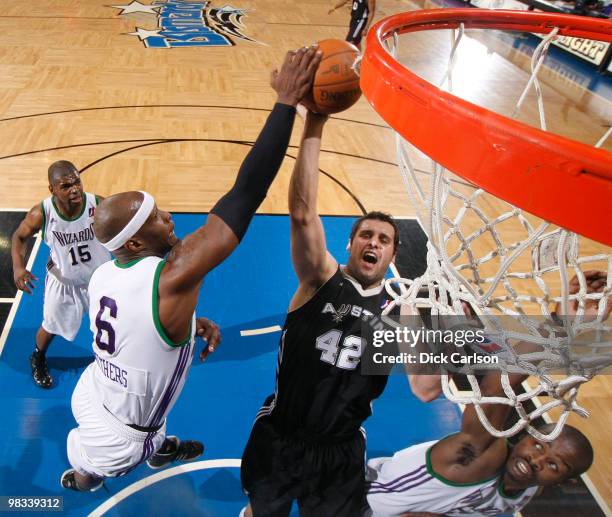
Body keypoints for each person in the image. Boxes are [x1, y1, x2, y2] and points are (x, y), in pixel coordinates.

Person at [60, 46, 322, 492]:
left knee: (143, 408)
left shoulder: (105, 272)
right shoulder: (173, 277)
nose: (172, 219)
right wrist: (285, 105)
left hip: (94, 389)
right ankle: (112, 468)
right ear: (138, 242)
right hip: (120, 437)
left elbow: (130, 322)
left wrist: (190, 322)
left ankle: (157, 445)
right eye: (160, 217)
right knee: (89, 470)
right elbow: (245, 194)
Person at [240, 109, 399, 516]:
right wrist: (315, 123)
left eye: (384, 239)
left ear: (393, 254)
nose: (374, 243)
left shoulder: (403, 310)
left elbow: (453, 372)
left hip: (340, 451)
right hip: (282, 437)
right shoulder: (320, 279)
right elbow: (302, 212)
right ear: (349, 244)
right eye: (366, 234)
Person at [364, 271, 610, 516]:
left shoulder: (526, 490)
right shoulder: (477, 456)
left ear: (562, 482)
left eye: (553, 465)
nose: (536, 460)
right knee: (426, 385)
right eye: (537, 445)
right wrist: (559, 325)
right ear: (525, 434)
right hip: (351, 501)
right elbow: (498, 386)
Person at [11, 161, 111, 388]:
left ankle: (113, 363)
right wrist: (18, 267)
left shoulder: (99, 204)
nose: (74, 189)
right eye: (66, 186)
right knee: (51, 327)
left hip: (100, 279)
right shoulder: (42, 213)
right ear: (52, 190)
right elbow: (18, 237)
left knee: (114, 322)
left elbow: (127, 222)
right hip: (64, 281)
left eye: (77, 182)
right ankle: (38, 356)